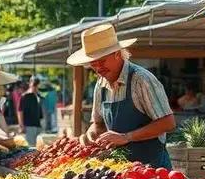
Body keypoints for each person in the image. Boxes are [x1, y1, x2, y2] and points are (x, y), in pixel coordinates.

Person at [70, 24, 175, 167]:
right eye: (93, 63)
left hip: (152, 168)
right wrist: (90, 135)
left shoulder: (141, 80)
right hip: (119, 169)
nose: (98, 68)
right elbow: (98, 124)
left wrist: (127, 137)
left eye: (102, 61)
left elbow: (168, 123)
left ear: (117, 54)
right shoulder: (100, 84)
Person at [18, 78, 43, 147]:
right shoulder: (25, 96)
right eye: (34, 84)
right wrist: (21, 125)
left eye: (36, 85)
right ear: (30, 84)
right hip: (29, 125)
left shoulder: (38, 95)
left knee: (38, 147)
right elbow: (20, 111)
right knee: (31, 147)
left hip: (37, 124)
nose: (35, 86)